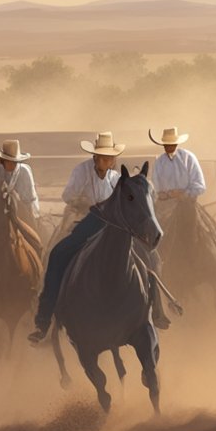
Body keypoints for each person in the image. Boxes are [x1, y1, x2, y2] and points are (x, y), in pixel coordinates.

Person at [30, 132, 171, 343]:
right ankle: (43, 319)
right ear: (95, 157)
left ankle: (156, 310)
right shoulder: (81, 171)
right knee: (58, 254)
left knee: (151, 256)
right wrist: (85, 202)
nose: (109, 161)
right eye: (104, 157)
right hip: (88, 220)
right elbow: (67, 195)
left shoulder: (117, 178)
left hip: (114, 225)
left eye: (111, 157)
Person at [0, 139, 41, 230]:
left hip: (23, 209)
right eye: (6, 161)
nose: (9, 164)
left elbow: (29, 198)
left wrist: (13, 198)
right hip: (0, 209)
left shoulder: (24, 172)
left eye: (11, 162)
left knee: (32, 234)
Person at [149, 126, 206, 210]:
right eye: (165, 144)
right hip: (164, 207)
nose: (167, 147)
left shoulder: (188, 158)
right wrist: (162, 194)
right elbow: (154, 186)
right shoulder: (159, 162)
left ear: (176, 144)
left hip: (186, 206)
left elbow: (200, 186)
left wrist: (184, 193)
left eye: (170, 144)